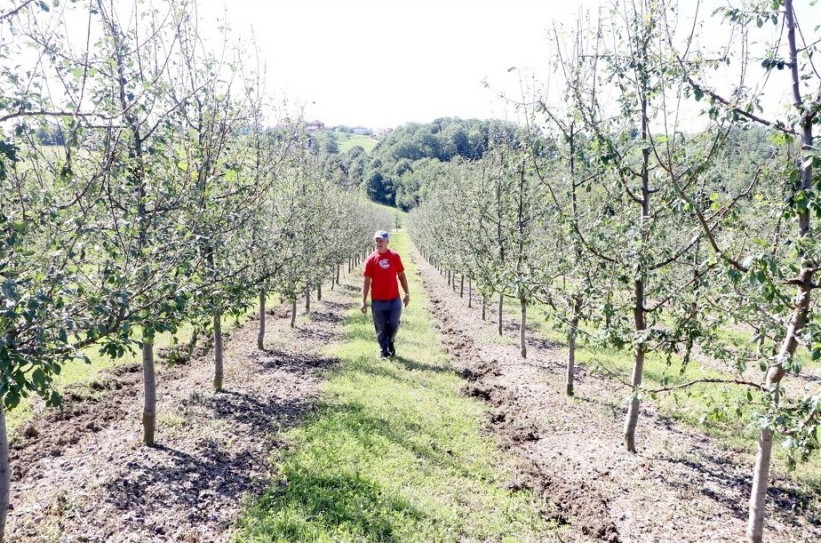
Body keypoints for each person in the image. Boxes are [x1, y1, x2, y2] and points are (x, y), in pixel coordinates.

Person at [360, 230, 410, 358]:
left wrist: (407, 293)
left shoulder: (395, 256)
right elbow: (366, 281)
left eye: (381, 240)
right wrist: (363, 301)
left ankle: (391, 342)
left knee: (393, 325)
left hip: (394, 300)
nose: (379, 242)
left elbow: (401, 275)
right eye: (377, 240)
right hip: (378, 301)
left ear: (387, 241)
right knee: (381, 328)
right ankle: (384, 351)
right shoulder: (371, 259)